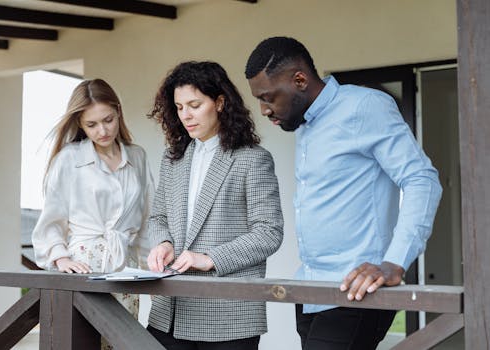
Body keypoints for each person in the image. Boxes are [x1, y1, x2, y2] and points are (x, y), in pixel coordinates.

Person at [245, 37, 442, 349]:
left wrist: (395, 262)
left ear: (299, 79)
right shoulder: (305, 123)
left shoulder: (364, 106)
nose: (264, 109)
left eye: (269, 97)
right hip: (311, 289)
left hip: (356, 291)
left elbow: (422, 179)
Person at [146, 61, 284, 350]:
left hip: (228, 315)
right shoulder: (173, 158)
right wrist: (163, 243)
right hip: (169, 312)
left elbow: (269, 232)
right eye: (180, 107)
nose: (186, 115)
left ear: (220, 102)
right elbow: (158, 217)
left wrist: (210, 258)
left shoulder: (253, 159)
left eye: (195, 105)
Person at [32, 78, 154, 349]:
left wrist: (154, 267)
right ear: (79, 125)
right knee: (82, 343)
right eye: (91, 125)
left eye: (108, 119)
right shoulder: (68, 159)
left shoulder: (138, 157)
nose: (102, 130)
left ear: (118, 112)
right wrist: (60, 256)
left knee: (121, 343)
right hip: (83, 265)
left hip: (125, 269)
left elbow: (146, 219)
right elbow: (52, 217)